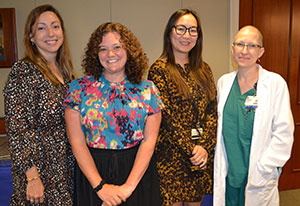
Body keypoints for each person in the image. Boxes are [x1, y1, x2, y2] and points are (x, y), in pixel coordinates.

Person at [64, 22, 164, 206]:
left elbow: (149, 142)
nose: (110, 54)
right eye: (103, 49)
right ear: (95, 53)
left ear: (129, 50)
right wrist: (101, 187)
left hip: (137, 175)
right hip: (92, 175)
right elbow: (76, 142)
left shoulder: (149, 90)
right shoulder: (78, 89)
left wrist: (128, 188)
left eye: (117, 47)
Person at [3, 4, 77, 205]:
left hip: (66, 173)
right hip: (40, 176)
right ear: (31, 37)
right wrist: (32, 176)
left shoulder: (68, 74)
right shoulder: (24, 72)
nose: (51, 33)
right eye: (42, 28)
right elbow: (18, 130)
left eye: (55, 26)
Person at [214, 25, 294, 206]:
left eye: (252, 46)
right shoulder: (224, 83)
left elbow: (283, 133)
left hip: (259, 175)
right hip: (229, 173)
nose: (244, 50)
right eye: (240, 44)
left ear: (261, 51)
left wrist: (265, 167)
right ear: (232, 49)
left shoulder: (275, 83)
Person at [148, 9, 217, 206]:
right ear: (170, 33)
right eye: (181, 29)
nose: (187, 35)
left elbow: (212, 110)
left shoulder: (204, 69)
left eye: (193, 30)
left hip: (200, 157)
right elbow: (166, 117)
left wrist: (204, 147)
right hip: (171, 158)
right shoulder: (159, 70)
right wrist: (192, 149)